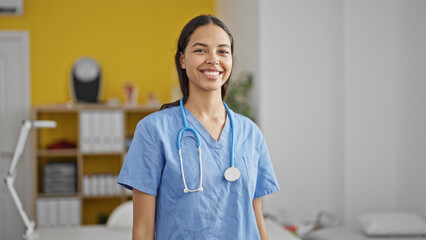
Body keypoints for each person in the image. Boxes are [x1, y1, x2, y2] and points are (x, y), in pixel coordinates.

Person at [117, 14, 279, 240]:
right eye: (201, 50)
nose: (213, 59)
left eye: (223, 51)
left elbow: (257, 220)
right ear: (182, 60)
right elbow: (143, 230)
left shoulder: (250, 133)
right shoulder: (154, 131)